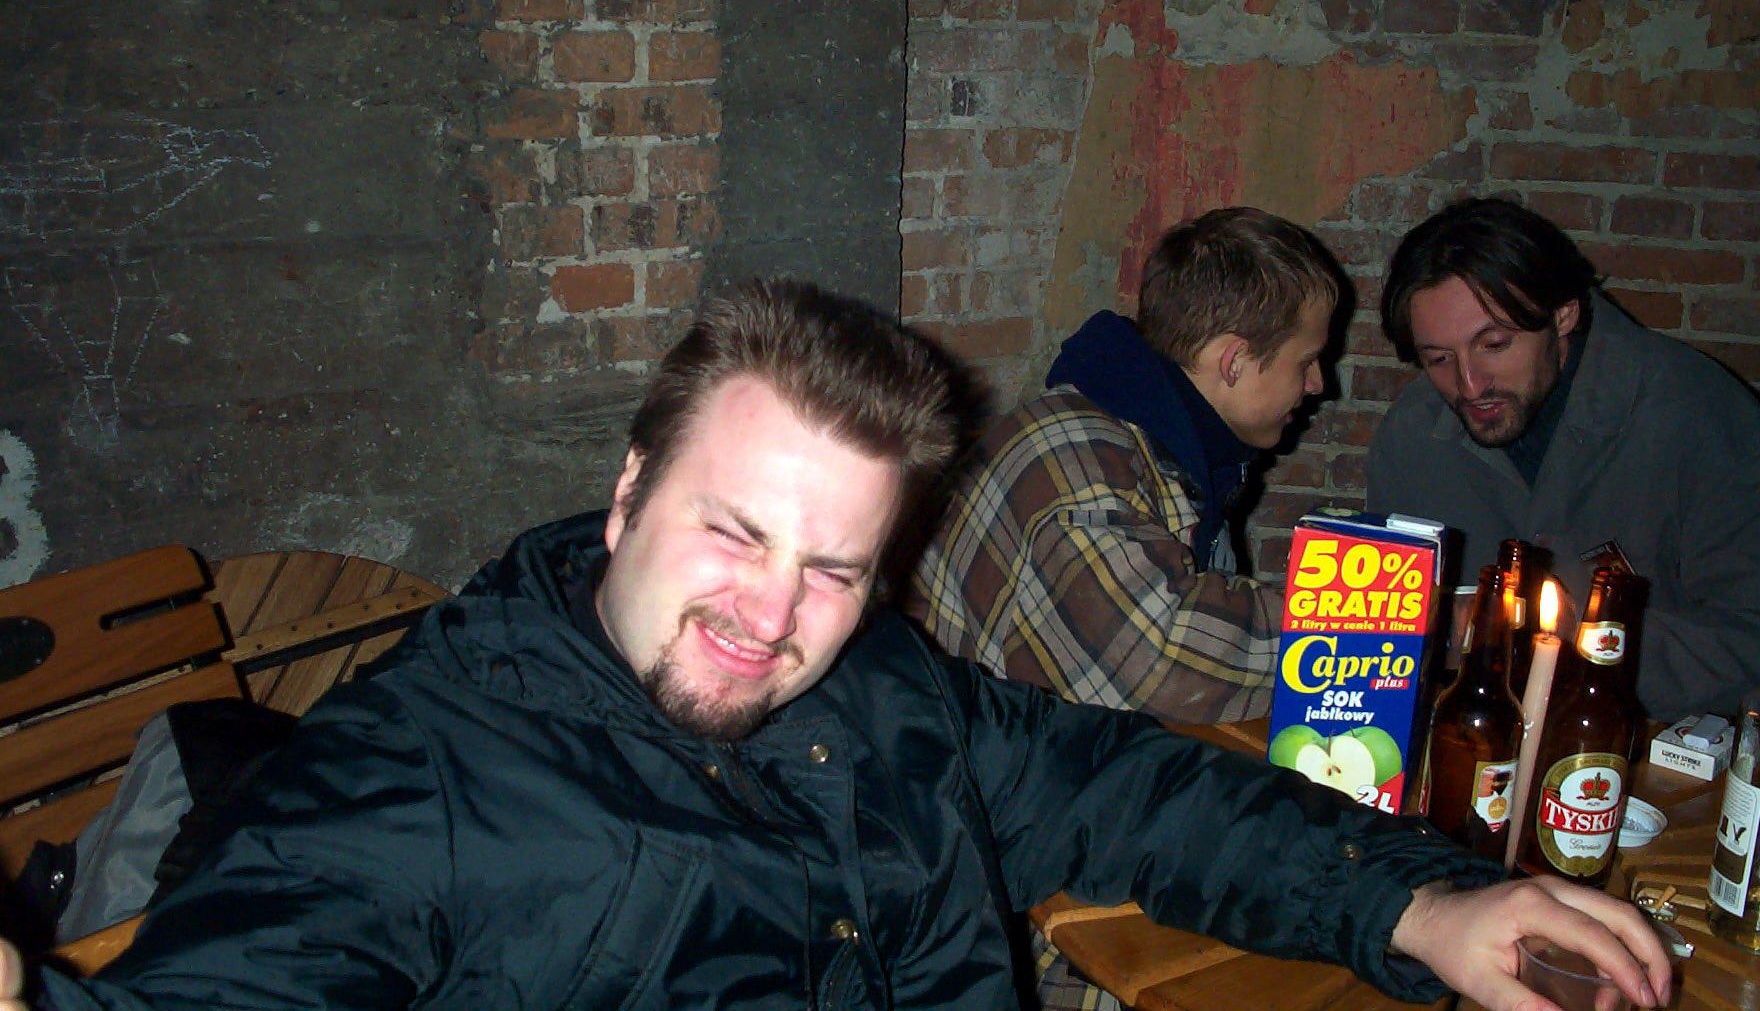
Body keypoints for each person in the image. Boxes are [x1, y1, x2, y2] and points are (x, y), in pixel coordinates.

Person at [4, 280, 1669, 1011]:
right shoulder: (423, 780)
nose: (771, 614)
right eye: (733, 531)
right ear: (629, 493)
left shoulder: (877, 685)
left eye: (835, 568)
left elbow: (1123, 787)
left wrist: (1422, 902)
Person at [909, 208, 1339, 726]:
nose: (1319, 383)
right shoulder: (1077, 464)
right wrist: (1364, 634)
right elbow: (1161, 663)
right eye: (1305, 361)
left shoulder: (1162, 444)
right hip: (956, 767)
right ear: (1234, 362)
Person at [1368, 197, 1760, 720]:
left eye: (1494, 344)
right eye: (1438, 359)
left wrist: (1585, 639)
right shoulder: (1412, 434)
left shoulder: (1700, 412)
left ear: (1562, 314)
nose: (1469, 385)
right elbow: (1382, 643)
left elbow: (1748, 640)